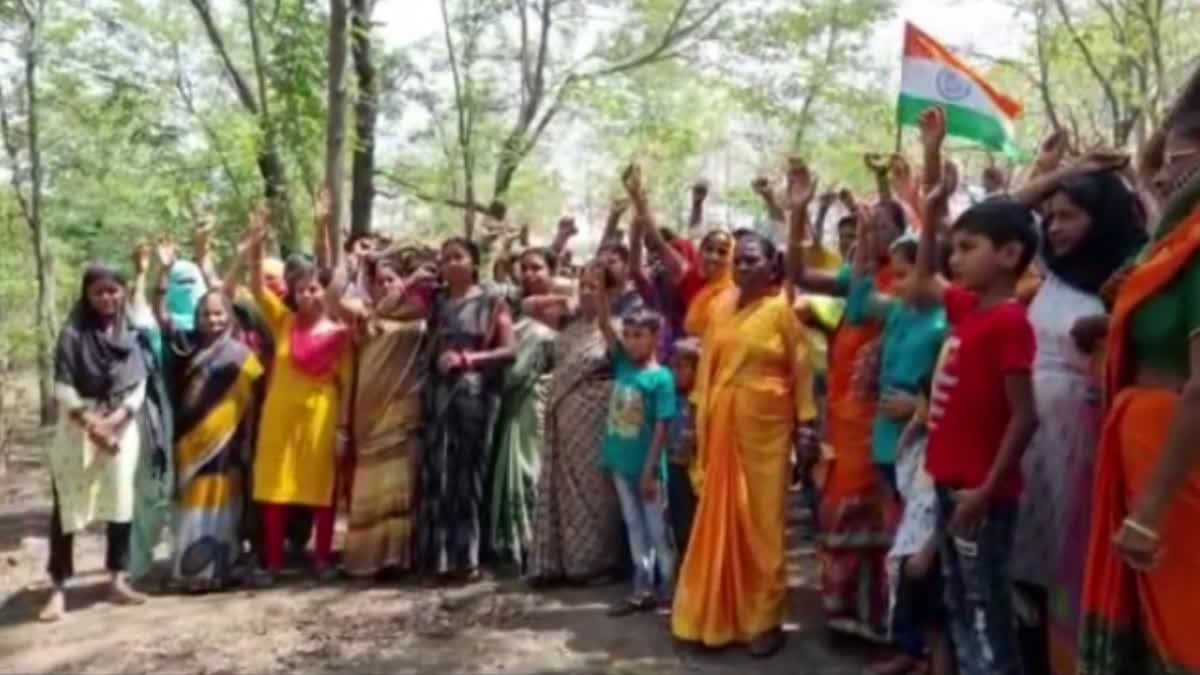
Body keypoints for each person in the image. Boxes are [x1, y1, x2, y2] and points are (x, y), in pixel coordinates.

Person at [1079, 68, 1200, 675]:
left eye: (1174, 160)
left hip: (1176, 472)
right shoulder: (1170, 249)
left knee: (1181, 637)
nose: (1159, 176)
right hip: (1148, 451)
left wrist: (1149, 511)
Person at [1009, 153, 1147, 674]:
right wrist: (1062, 177)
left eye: (1069, 215)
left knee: (1077, 577)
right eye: (1052, 215)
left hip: (1090, 452)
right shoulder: (1047, 272)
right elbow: (993, 219)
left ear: (1106, 218)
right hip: (1030, 446)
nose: (1054, 226)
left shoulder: (1133, 276)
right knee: (1025, 580)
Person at [915, 107, 1039, 675]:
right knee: (961, 607)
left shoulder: (1010, 322)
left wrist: (987, 490)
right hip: (951, 486)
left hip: (980, 498)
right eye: (956, 248)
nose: (955, 258)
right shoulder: (968, 309)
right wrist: (933, 172)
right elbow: (922, 278)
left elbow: (1024, 417)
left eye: (968, 248)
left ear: (1010, 254)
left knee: (988, 614)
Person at [672, 187, 818, 658]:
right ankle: (714, 614)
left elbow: (801, 374)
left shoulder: (783, 312)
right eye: (740, 259)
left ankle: (765, 620)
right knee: (718, 522)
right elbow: (707, 370)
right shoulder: (718, 307)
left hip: (766, 433)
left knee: (762, 525)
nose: (743, 266)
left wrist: (808, 429)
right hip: (718, 427)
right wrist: (693, 423)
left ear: (772, 268)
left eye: (753, 260)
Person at [797, 159, 904, 642]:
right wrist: (797, 212)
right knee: (838, 508)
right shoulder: (855, 278)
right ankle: (846, 615)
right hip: (842, 415)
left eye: (883, 227)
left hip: (885, 420)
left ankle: (883, 621)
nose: (872, 233)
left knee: (883, 517)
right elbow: (800, 274)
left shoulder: (908, 284)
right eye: (868, 225)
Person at [39, 264, 156, 621]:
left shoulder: (130, 332)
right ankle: (58, 586)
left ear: (122, 292)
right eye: (99, 292)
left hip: (121, 425)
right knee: (68, 506)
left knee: (120, 501)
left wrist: (117, 420)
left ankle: (117, 579)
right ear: (87, 296)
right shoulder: (73, 334)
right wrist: (91, 423)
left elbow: (139, 382)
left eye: (113, 291)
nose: (107, 298)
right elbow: (62, 384)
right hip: (78, 426)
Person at [245, 212, 352, 583]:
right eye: (302, 289)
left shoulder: (341, 334)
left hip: (321, 417)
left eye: (315, 288)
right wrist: (257, 245)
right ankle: (273, 563)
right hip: (279, 417)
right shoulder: (283, 322)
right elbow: (257, 288)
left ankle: (321, 559)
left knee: (320, 487)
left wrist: (342, 429)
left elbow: (347, 383)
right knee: (276, 486)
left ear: (325, 291)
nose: (309, 294)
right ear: (292, 293)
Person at [418, 237, 515, 581]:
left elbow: (509, 352)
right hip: (438, 395)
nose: (451, 263)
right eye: (445, 259)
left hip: (473, 396)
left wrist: (467, 359)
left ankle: (468, 558)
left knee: (467, 473)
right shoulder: (438, 302)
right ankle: (439, 559)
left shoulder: (493, 302)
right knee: (438, 472)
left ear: (474, 263)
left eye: (458, 257)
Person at [526, 263, 626, 585]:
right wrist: (566, 291)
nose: (585, 293)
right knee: (565, 492)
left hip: (596, 419)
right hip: (564, 418)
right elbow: (527, 305)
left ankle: (597, 564)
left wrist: (605, 312)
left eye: (594, 287)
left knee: (596, 492)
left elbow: (621, 358)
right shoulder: (568, 324)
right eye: (582, 286)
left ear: (611, 293)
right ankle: (564, 563)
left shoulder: (619, 326)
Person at [338, 250, 434, 579]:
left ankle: (397, 556)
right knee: (371, 481)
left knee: (400, 480)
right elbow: (336, 298)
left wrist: (407, 284)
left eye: (392, 279)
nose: (387, 286)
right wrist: (356, 262)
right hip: (370, 411)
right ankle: (368, 556)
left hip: (405, 407)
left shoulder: (421, 317)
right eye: (380, 282)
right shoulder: (366, 316)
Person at [163, 290, 264, 591]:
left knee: (223, 501)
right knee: (194, 503)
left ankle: (222, 566)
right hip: (191, 442)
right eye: (206, 314)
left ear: (230, 317)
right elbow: (162, 322)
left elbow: (254, 401)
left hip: (227, 442)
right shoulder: (186, 348)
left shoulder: (242, 355)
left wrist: (248, 438)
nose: (213, 320)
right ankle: (192, 571)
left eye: (219, 313)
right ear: (197, 318)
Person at [845, 223, 947, 497]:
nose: (895, 284)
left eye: (902, 275)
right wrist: (864, 239)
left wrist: (918, 408)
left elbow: (960, 385)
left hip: (925, 436)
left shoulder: (946, 320)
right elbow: (856, 308)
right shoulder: (898, 310)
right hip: (887, 437)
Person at [594, 299, 677, 615]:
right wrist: (604, 286)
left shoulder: (661, 378)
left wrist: (650, 469)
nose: (631, 340)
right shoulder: (623, 365)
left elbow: (662, 424)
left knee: (657, 529)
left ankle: (668, 588)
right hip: (620, 464)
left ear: (656, 337)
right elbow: (604, 324)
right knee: (634, 526)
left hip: (648, 468)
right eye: (627, 334)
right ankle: (642, 587)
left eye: (639, 334)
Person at [488, 247, 559, 571]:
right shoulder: (511, 310)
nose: (530, 274)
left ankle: (537, 547)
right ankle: (508, 546)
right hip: (508, 399)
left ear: (551, 270)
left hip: (536, 399)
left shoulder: (562, 308)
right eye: (525, 268)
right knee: (506, 467)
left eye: (538, 267)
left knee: (532, 469)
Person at [665, 337, 700, 562]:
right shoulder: (669, 396)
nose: (675, 372)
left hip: (698, 469)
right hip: (674, 466)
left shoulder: (703, 400)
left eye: (682, 367)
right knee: (680, 522)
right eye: (673, 366)